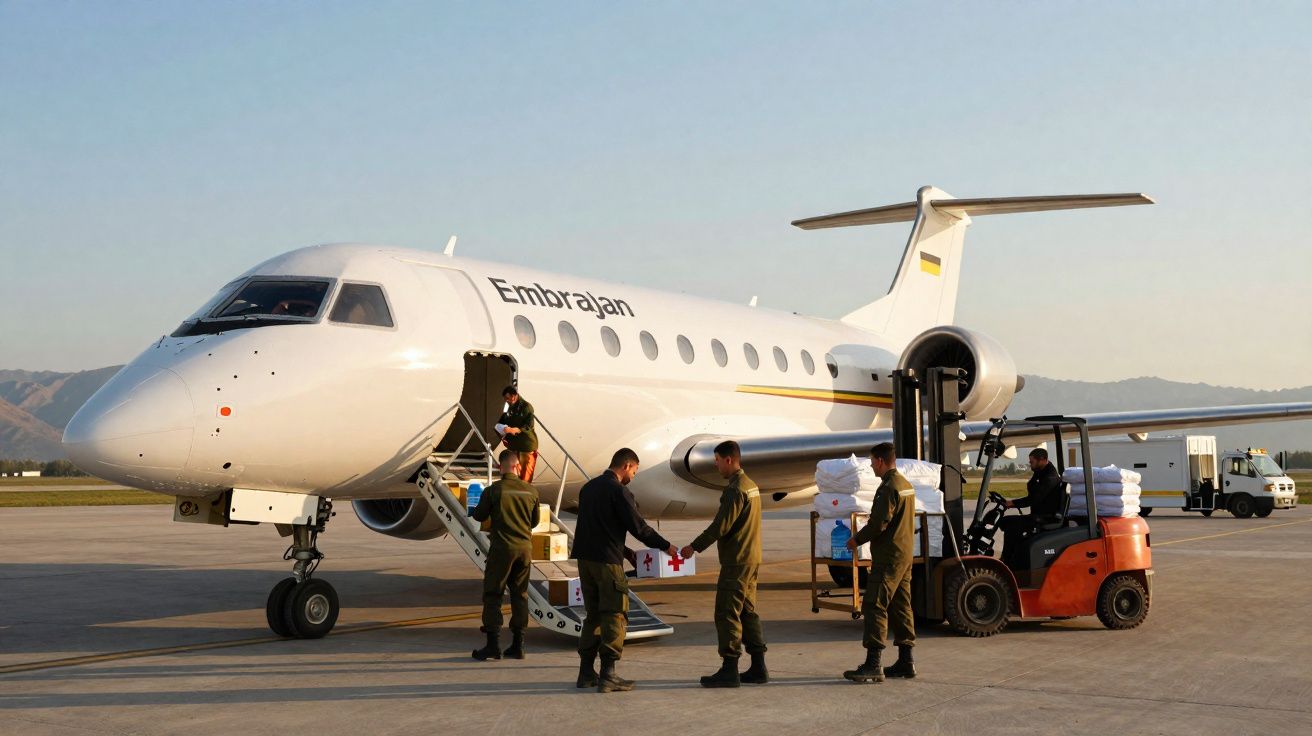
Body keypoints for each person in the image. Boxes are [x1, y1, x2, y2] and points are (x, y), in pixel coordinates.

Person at [570, 448, 678, 693]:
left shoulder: (588, 488)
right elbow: (640, 528)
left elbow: (598, 525)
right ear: (627, 465)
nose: (633, 476)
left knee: (593, 616)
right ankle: (608, 675)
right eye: (634, 471)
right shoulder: (619, 491)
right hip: (607, 563)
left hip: (585, 560)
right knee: (615, 615)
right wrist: (666, 546)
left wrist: (625, 550)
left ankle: (586, 672)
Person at [681, 440, 768, 688]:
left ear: (728, 460)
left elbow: (721, 525)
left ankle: (729, 668)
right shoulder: (751, 486)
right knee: (748, 612)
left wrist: (694, 546)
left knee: (727, 613)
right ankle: (759, 666)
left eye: (717, 460)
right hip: (751, 558)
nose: (716, 465)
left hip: (736, 561)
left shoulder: (735, 490)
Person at [843, 442, 917, 683]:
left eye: (873, 461)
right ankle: (906, 662)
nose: (872, 466)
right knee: (901, 606)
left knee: (875, 605)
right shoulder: (905, 485)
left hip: (888, 557)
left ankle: (873, 664)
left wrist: (856, 539)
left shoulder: (888, 488)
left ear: (881, 461)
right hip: (904, 555)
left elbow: (878, 523)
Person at [469, 449, 540, 661]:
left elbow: (479, 515)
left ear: (501, 466)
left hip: (502, 549)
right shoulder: (531, 491)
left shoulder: (494, 490)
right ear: (517, 466)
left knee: (494, 594)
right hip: (525, 549)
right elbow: (534, 522)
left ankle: (493, 645)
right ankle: (518, 645)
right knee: (520, 595)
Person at [997, 448, 1064, 565]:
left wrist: (1012, 503)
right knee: (1005, 521)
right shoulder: (1041, 472)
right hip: (1038, 514)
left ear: (1042, 460)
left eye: (1032, 462)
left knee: (1012, 527)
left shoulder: (1050, 478)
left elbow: (1034, 499)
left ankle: (1007, 561)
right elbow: (1032, 489)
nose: (1030, 464)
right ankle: (1014, 556)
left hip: (1045, 516)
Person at [497, 385, 539, 482]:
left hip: (526, 447)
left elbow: (529, 425)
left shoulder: (526, 407)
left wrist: (516, 430)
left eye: (507, 398)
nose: (506, 401)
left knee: (525, 478)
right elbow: (505, 420)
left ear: (514, 396)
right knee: (514, 476)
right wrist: (501, 428)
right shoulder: (510, 407)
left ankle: (525, 494)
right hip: (515, 447)